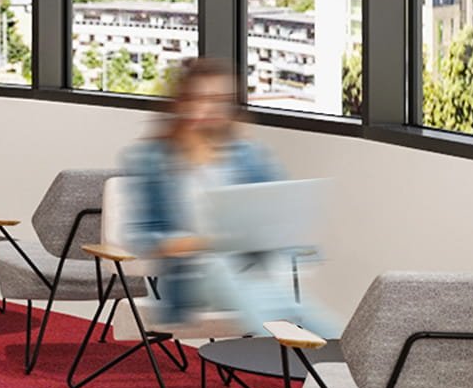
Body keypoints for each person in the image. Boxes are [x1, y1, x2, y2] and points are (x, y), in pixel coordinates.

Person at [115, 57, 339, 337]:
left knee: (287, 301)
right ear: (184, 103)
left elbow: (278, 212)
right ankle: (294, 343)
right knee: (225, 269)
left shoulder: (249, 155)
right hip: (187, 280)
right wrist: (184, 243)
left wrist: (292, 246)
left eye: (221, 99)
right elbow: (137, 235)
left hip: (251, 272)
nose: (213, 107)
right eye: (204, 98)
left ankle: (346, 357)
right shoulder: (152, 159)